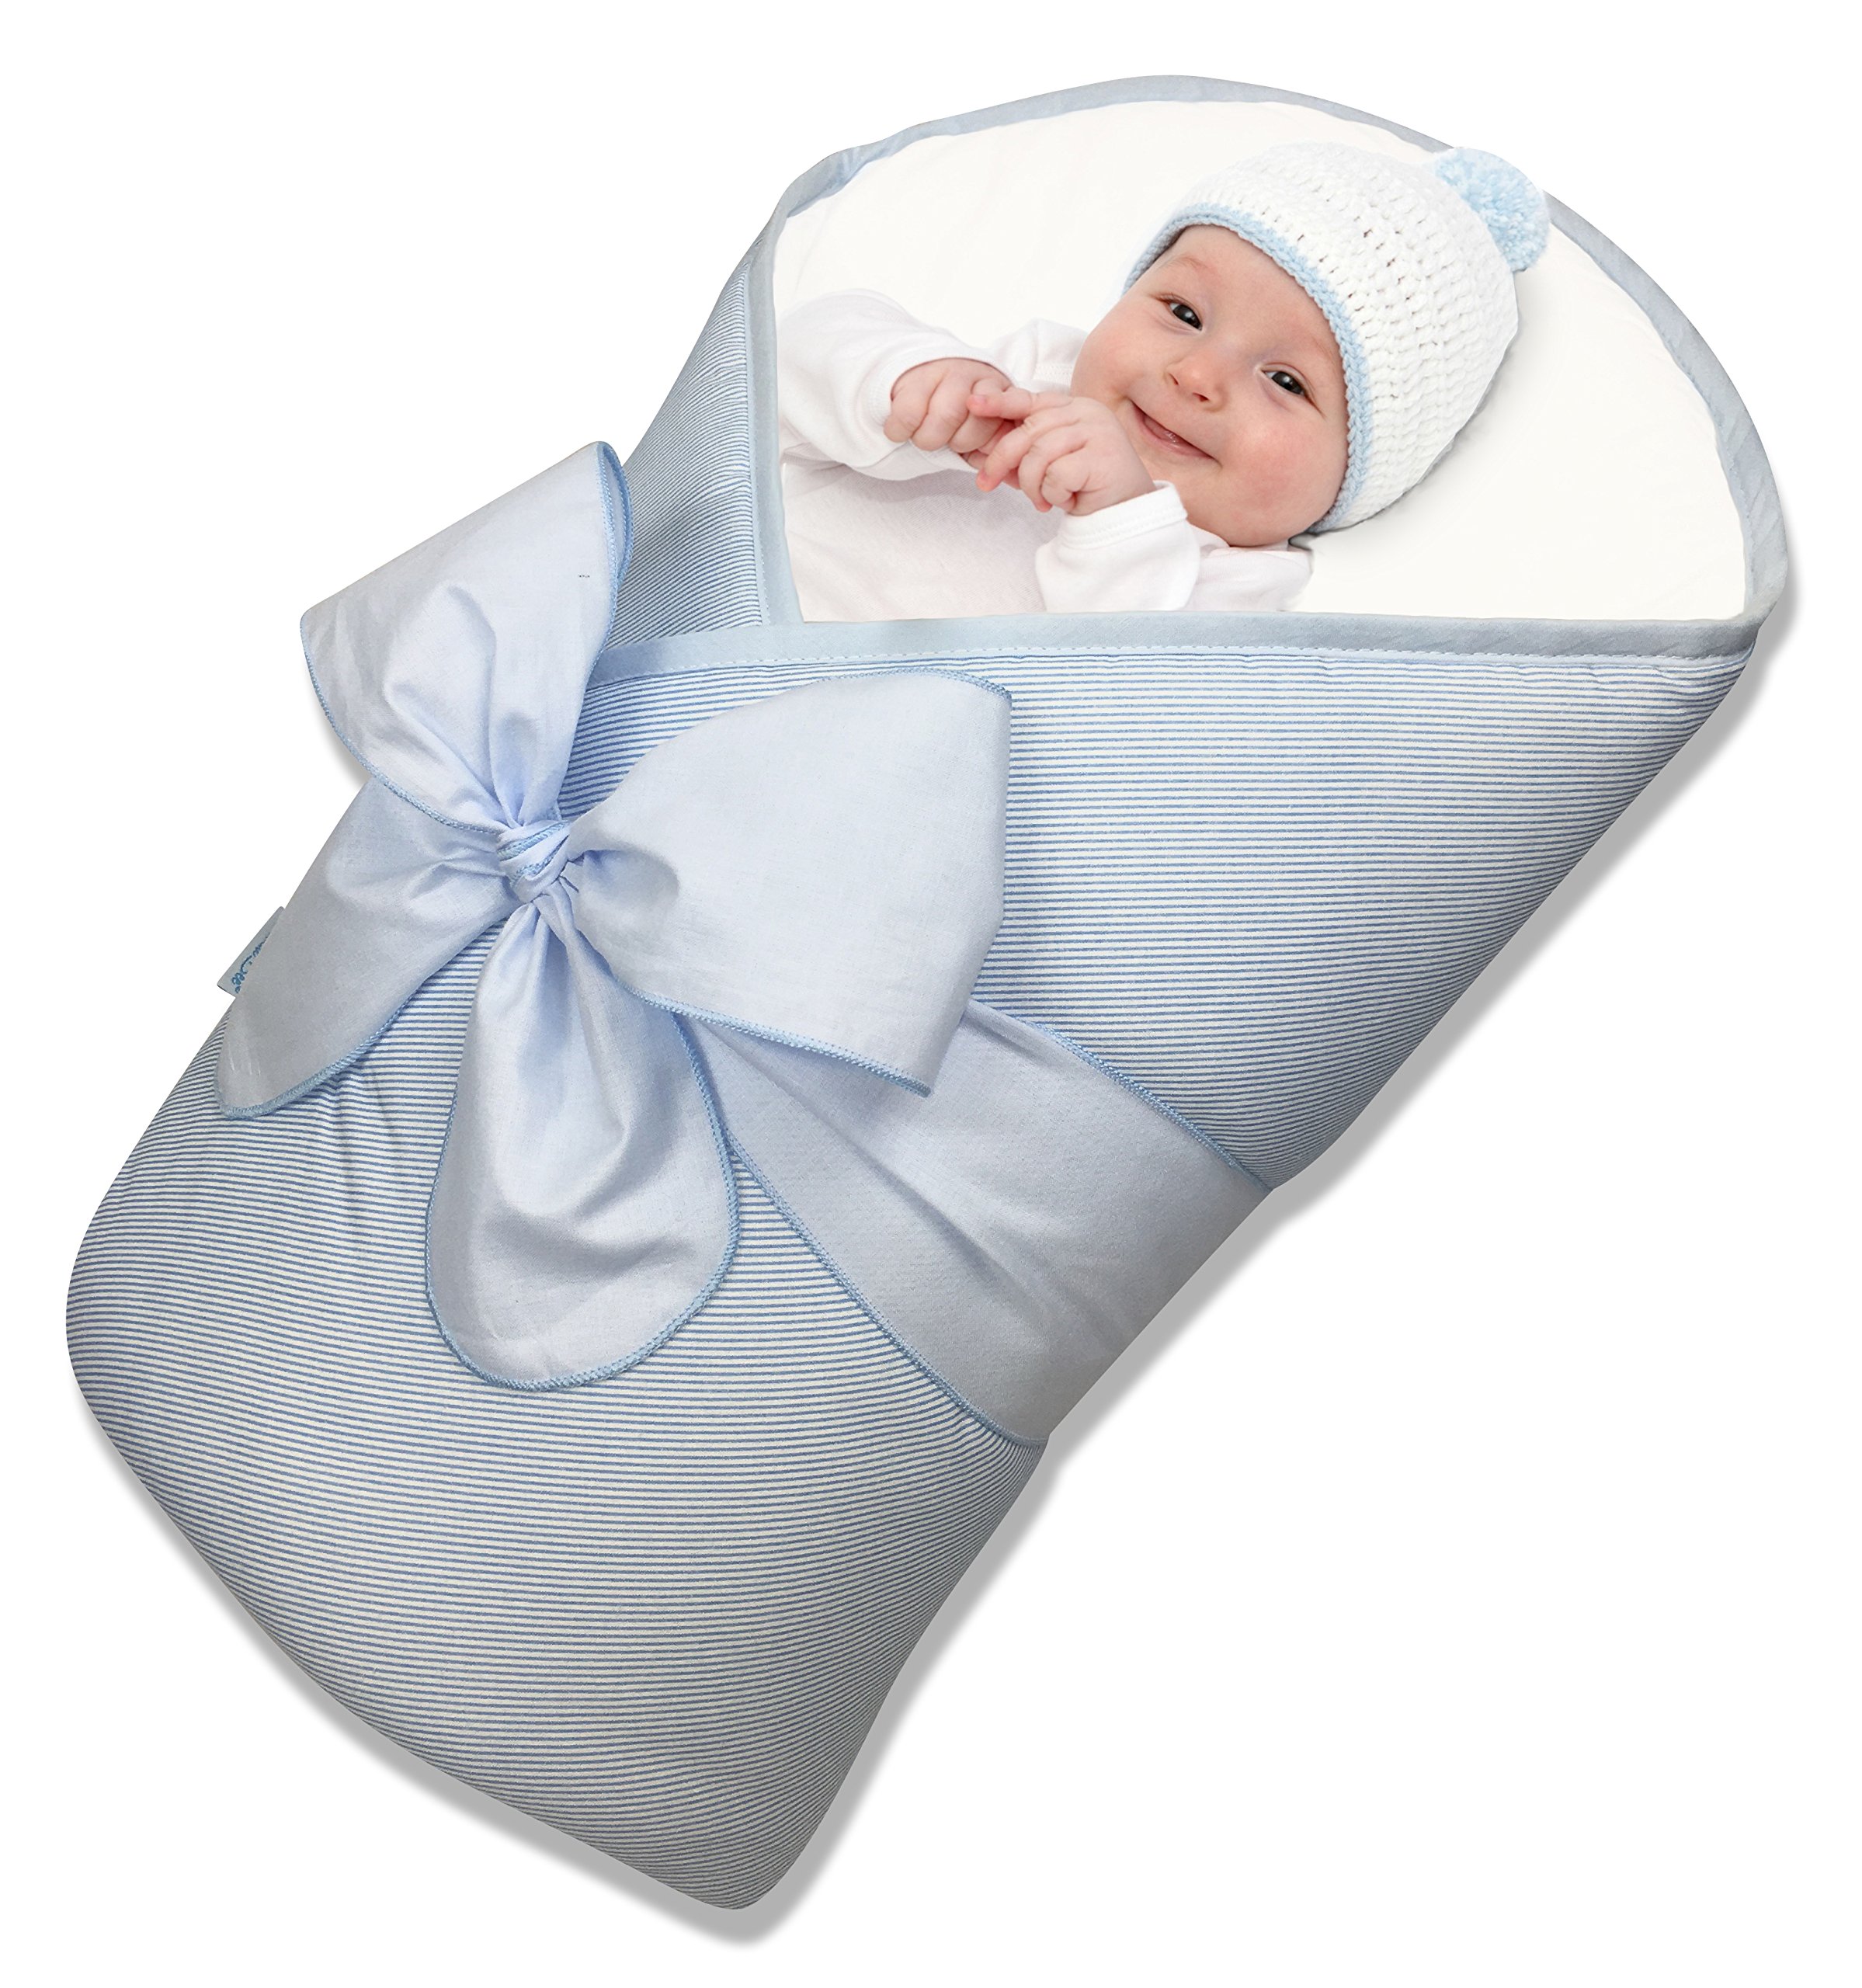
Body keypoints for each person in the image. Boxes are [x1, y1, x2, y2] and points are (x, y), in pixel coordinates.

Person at [777, 141, 1548, 621]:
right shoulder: (1024, 379)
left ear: (1357, 478)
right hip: (727, 621)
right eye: (1183, 312)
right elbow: (775, 371)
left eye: (1286, 380)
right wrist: (903, 381)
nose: (1197, 375)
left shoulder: (1232, 588)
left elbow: (1128, 712)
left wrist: (1118, 519)